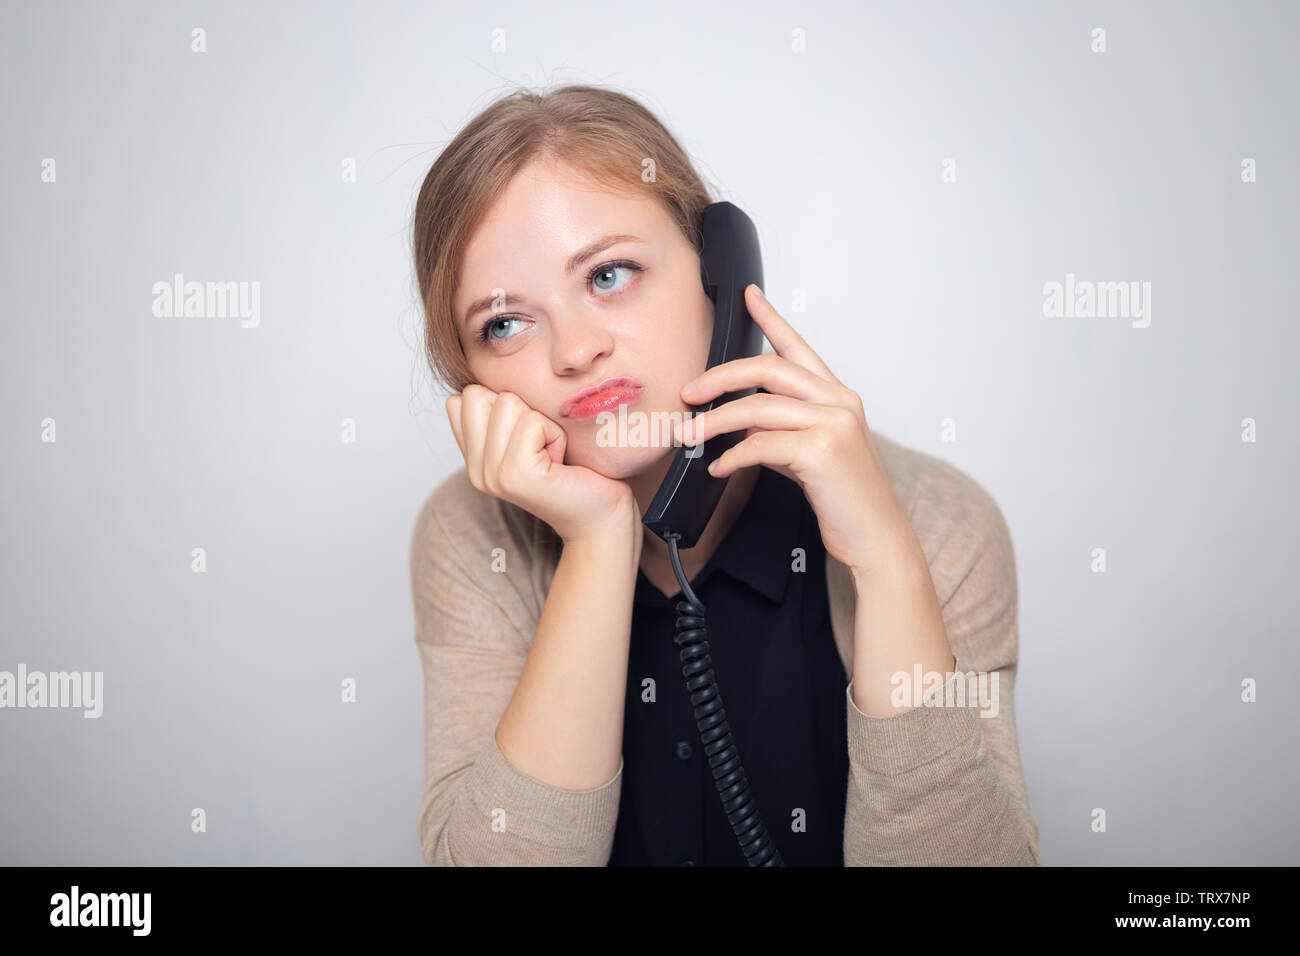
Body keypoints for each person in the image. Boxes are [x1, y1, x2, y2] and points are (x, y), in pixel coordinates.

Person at [409, 83, 1041, 866]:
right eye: (504, 324)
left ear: (722, 274)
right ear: (469, 379)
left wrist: (886, 562)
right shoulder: (473, 534)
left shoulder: (939, 517)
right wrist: (601, 539)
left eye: (608, 275)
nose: (574, 351)